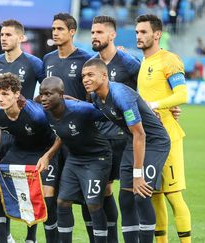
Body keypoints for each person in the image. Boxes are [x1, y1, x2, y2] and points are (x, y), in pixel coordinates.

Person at [83, 58, 171, 243]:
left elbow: (141, 134)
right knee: (125, 197)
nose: (85, 79)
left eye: (90, 75)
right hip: (134, 141)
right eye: (83, 76)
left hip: (154, 142)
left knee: (141, 194)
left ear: (104, 75)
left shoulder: (120, 94)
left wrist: (138, 174)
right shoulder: (96, 97)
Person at [0, 19, 47, 243]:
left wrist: (31, 106)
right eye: (2, 34)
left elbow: (47, 90)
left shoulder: (34, 63)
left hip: (29, 133)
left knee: (29, 189)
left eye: (9, 35)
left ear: (21, 38)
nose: (3, 38)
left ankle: (30, 237)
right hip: (3, 133)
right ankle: (6, 237)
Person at [135, 14, 191, 243]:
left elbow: (182, 94)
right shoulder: (144, 62)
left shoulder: (168, 60)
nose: (139, 36)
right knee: (155, 196)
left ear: (157, 34)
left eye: (144, 32)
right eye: (137, 32)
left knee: (173, 195)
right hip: (148, 140)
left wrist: (154, 105)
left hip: (168, 137)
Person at [0, 73, 60, 243]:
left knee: (47, 196)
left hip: (45, 151)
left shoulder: (36, 115)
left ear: (17, 94)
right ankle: (5, 240)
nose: (0, 99)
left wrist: (48, 156)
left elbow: (59, 135)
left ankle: (34, 238)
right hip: (19, 150)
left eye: (5, 94)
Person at [39, 76, 112, 243]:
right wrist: (47, 156)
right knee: (62, 201)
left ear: (61, 95)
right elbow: (61, 135)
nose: (44, 98)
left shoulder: (81, 110)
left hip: (97, 158)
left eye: (49, 94)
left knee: (93, 204)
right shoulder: (45, 110)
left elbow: (111, 113)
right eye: (42, 94)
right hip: (75, 158)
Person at [90, 15, 141, 243]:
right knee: (104, 191)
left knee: (130, 194)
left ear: (112, 35)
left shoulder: (129, 63)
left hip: (127, 138)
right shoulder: (92, 65)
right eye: (92, 32)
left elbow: (147, 92)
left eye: (99, 32)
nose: (94, 36)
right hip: (102, 139)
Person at [43, 13, 92, 101]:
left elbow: (91, 94)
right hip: (50, 114)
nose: (55, 33)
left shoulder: (86, 59)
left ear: (72, 32)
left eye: (60, 29)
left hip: (77, 113)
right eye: (53, 29)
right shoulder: (47, 58)